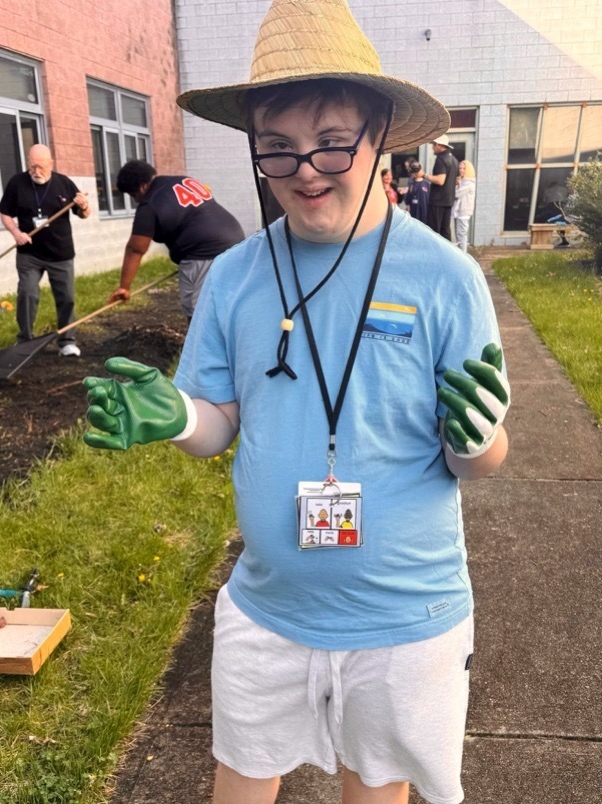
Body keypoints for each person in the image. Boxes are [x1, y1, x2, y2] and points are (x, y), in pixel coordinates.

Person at [83, 1, 510, 802]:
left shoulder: (446, 278)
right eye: (277, 150)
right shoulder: (237, 276)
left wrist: (476, 435)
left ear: (379, 132)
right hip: (266, 610)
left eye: (330, 142)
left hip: (404, 621)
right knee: (239, 782)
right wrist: (175, 417)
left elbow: (480, 460)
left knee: (373, 788)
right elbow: (217, 427)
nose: (304, 168)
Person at [110, 160, 244, 322]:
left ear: (143, 186)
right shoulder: (182, 181)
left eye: (133, 195)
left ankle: (202, 348)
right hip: (236, 242)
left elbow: (136, 249)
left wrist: (124, 287)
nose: (136, 201)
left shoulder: (149, 204)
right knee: (229, 303)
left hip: (202, 252)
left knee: (198, 315)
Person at [0, 144, 90, 356]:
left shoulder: (64, 184)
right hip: (29, 254)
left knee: (66, 297)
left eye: (40, 167)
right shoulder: (17, 183)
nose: (36, 172)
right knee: (27, 294)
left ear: (51, 164)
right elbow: (4, 213)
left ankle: (67, 341)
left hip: (61, 254)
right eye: (32, 167)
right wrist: (16, 232)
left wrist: (84, 205)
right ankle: (25, 340)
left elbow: (84, 214)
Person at [421, 135, 459, 240]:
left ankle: (433, 255)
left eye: (433, 144)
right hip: (448, 201)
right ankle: (448, 254)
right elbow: (457, 180)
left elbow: (440, 180)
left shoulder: (441, 159)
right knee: (445, 231)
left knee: (434, 232)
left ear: (439, 145)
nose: (432, 147)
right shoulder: (454, 160)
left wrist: (424, 175)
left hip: (438, 201)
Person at [452, 160, 476, 252]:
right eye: (460, 168)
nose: (461, 170)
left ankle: (463, 255)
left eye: (464, 168)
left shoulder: (469, 182)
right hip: (459, 211)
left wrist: (455, 185)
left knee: (461, 234)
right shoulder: (462, 181)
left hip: (464, 212)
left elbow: (457, 194)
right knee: (459, 235)